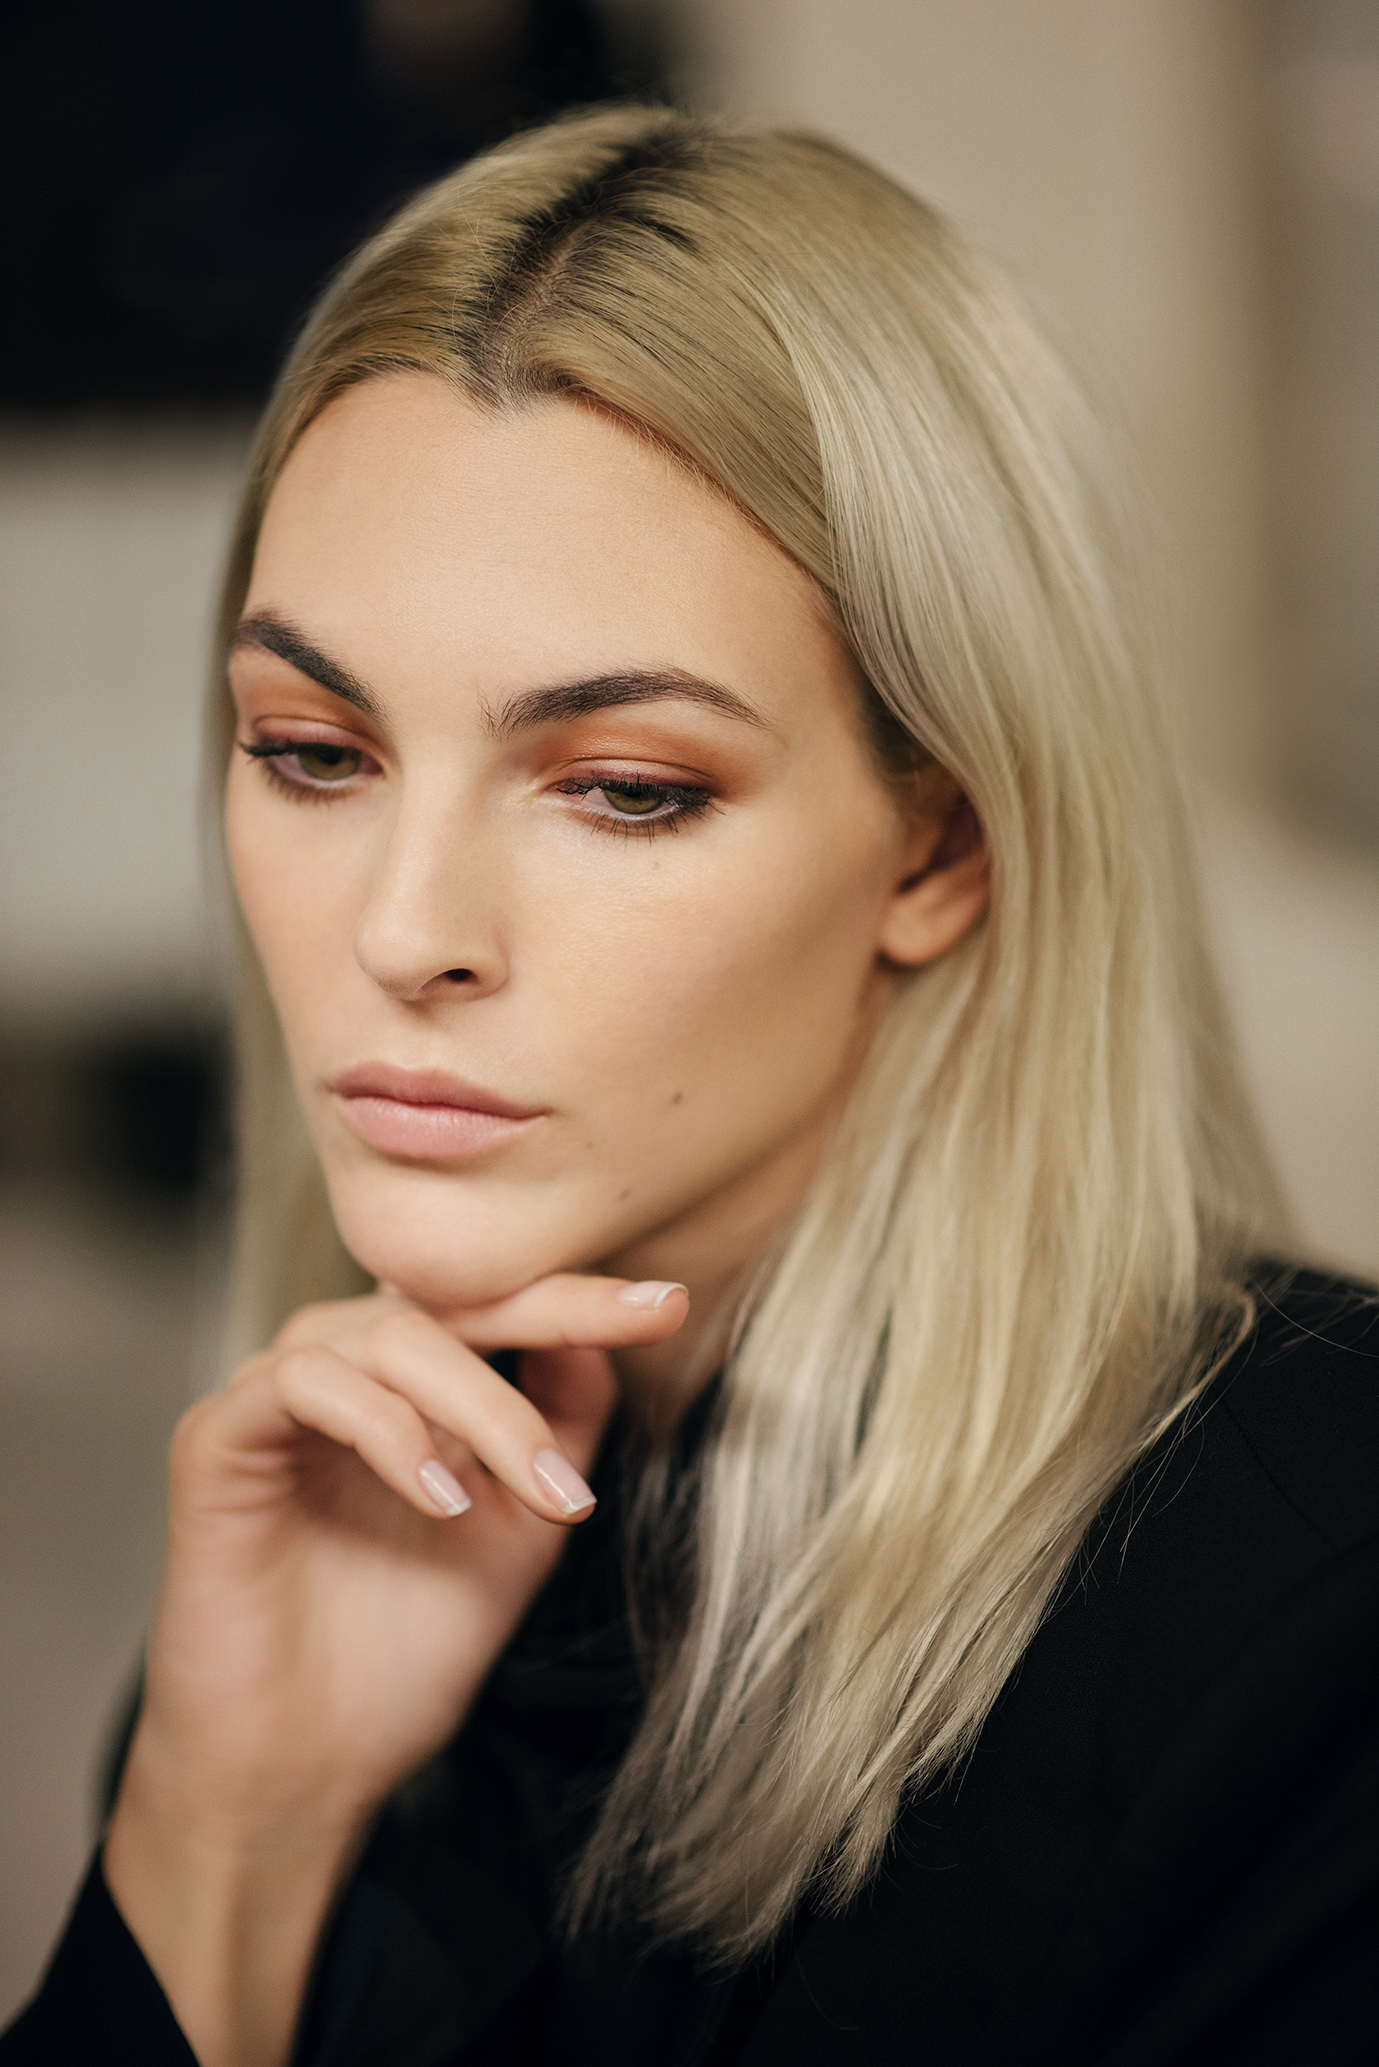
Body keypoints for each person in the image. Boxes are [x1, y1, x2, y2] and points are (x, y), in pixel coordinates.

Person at [4, 104, 1376, 2067]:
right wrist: (222, 1834)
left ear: (941, 848)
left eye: (625, 789)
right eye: (314, 750)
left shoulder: (1315, 1612)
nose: (405, 927)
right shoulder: (328, 1545)